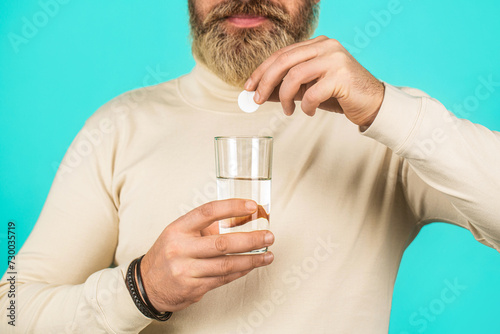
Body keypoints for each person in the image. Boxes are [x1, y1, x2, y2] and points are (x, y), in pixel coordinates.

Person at [1, 0, 499, 333]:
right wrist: (139, 288)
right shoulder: (119, 126)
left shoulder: (385, 124)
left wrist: (386, 109)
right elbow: (11, 311)